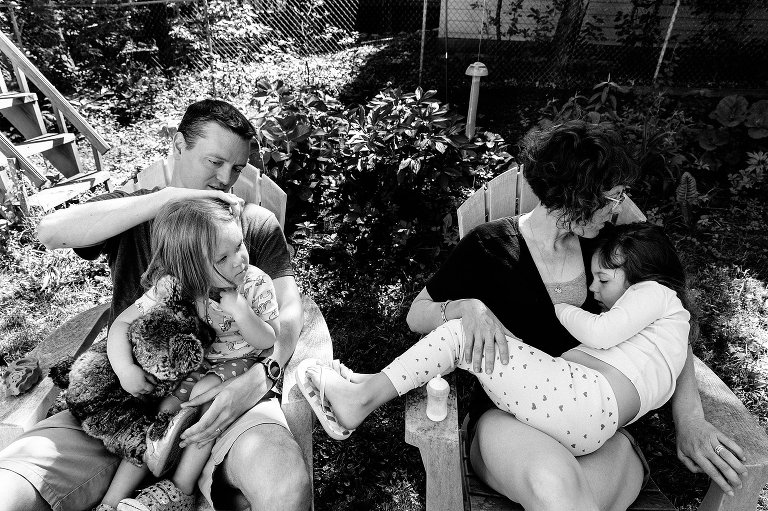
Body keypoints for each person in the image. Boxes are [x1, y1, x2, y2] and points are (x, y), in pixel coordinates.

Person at [322, 121, 746, 510]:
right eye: (612, 196)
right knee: (558, 494)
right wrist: (466, 307)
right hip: (507, 423)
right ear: (577, 196)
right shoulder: (489, 246)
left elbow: (669, 321)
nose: (617, 208)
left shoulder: (609, 249)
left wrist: (690, 418)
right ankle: (362, 397)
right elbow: (417, 315)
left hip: (599, 424)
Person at [0, 99, 311, 511]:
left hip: (225, 395)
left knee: (286, 488)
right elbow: (50, 231)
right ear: (178, 146)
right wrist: (169, 200)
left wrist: (262, 375)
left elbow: (288, 312)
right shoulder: (133, 212)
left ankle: (174, 489)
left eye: (237, 168)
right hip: (124, 397)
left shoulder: (247, 225)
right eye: (215, 162)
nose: (225, 180)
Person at [303, 223, 691, 458]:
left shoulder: (654, 292)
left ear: (645, 274)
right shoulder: (668, 334)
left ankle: (359, 400)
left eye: (603, 279)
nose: (593, 289)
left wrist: (560, 307)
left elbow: (600, 332)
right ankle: (371, 382)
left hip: (580, 399)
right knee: (482, 339)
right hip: (589, 424)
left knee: (464, 334)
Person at [83, 198, 278, 511]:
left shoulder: (254, 284)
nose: (239, 260)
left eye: (239, 245)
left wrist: (241, 311)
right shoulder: (178, 285)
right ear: (192, 267)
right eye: (223, 258)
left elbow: (269, 339)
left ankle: (179, 490)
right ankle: (110, 502)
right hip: (194, 365)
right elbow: (122, 324)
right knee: (162, 413)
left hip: (240, 363)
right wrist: (125, 370)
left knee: (203, 399)